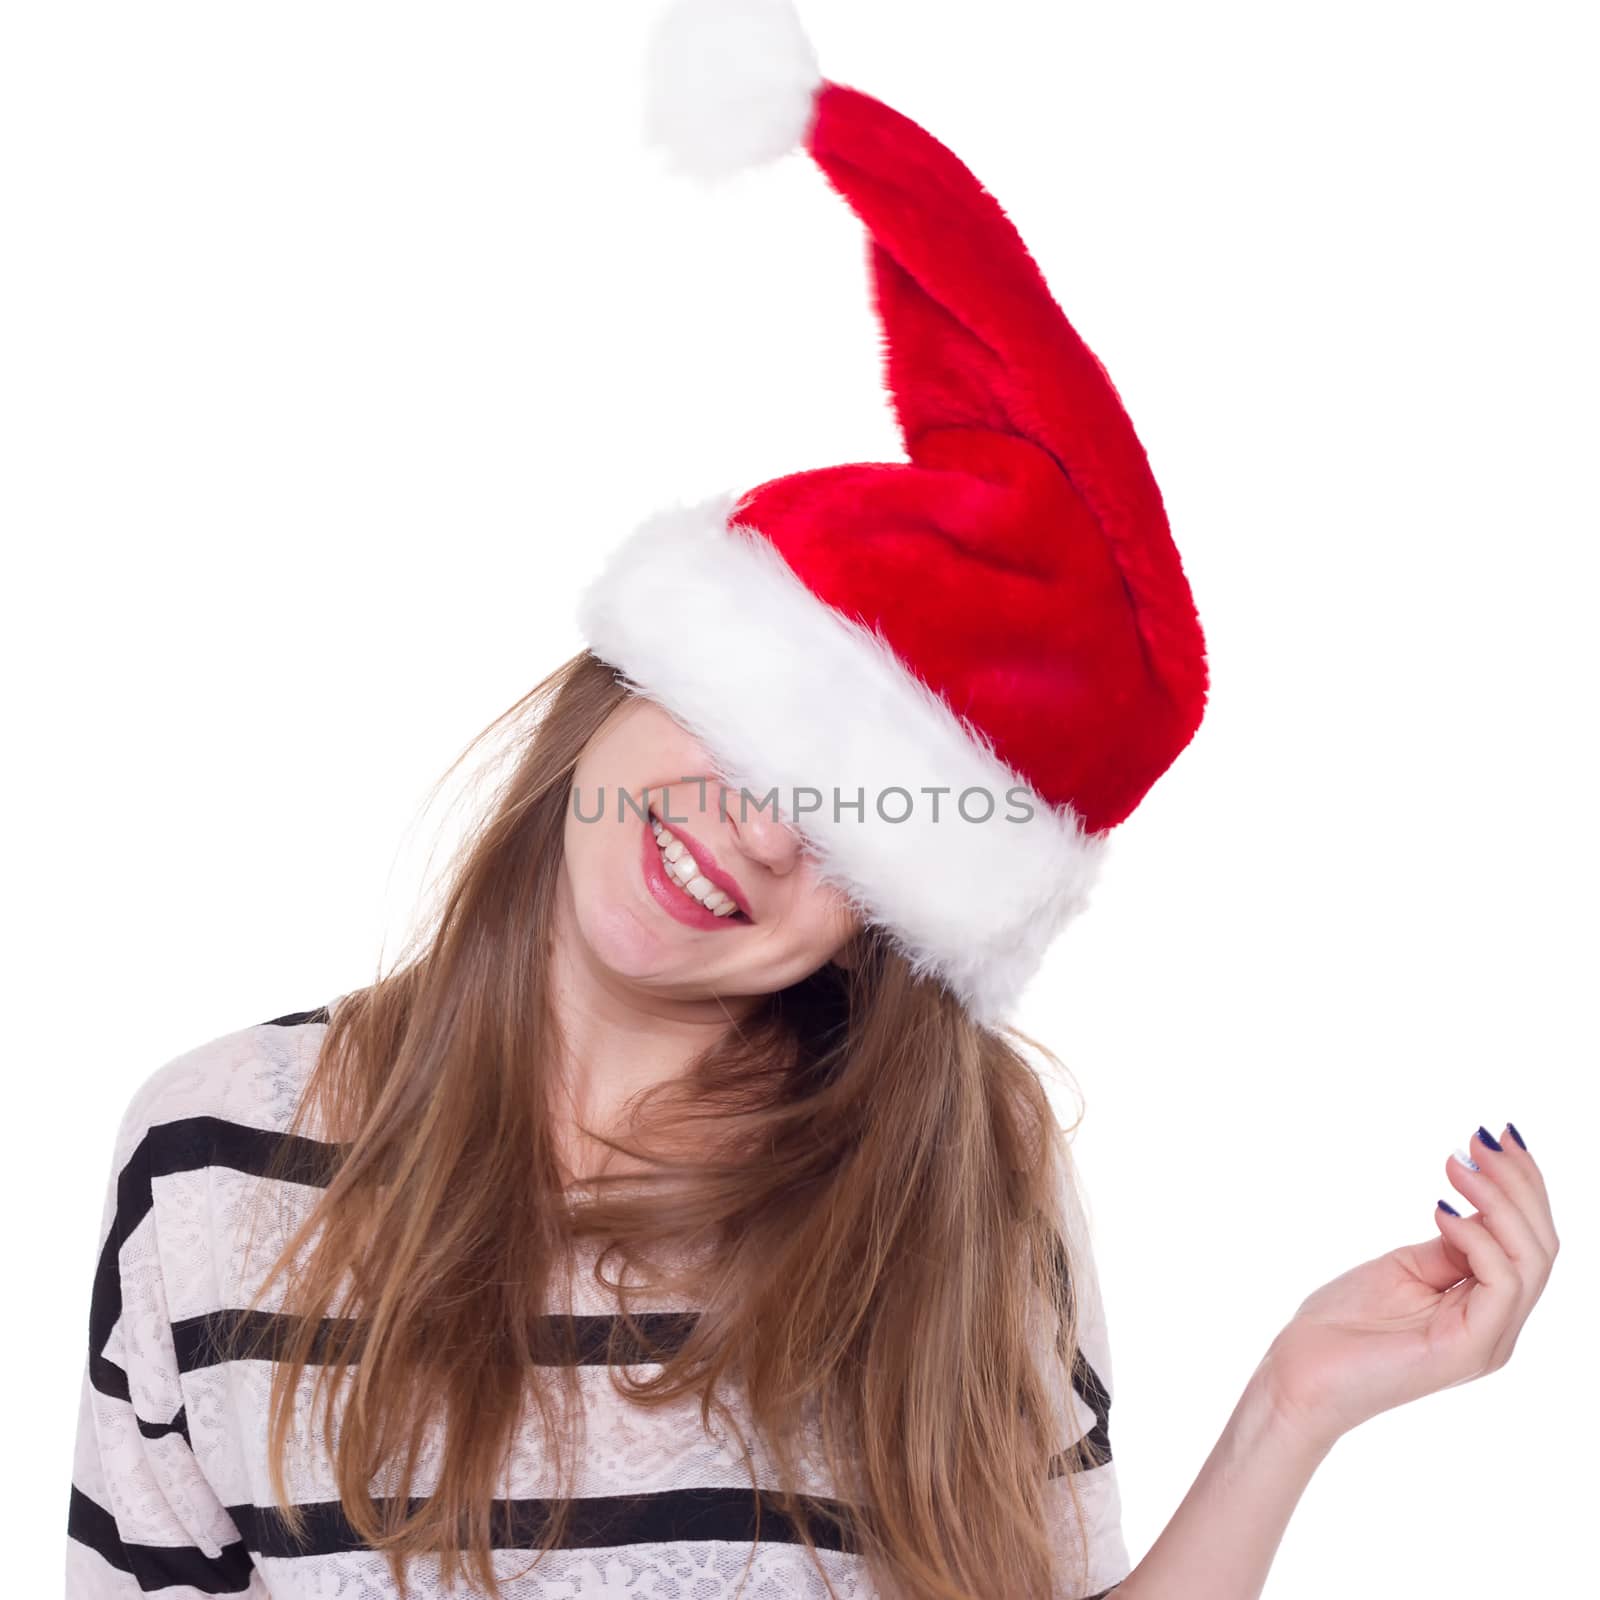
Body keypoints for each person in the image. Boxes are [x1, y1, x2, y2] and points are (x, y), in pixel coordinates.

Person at [64, 3, 1559, 1598]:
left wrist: (1289, 1414)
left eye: (863, 829)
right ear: (632, 681)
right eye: (761, 732)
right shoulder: (217, 1156)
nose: (763, 831)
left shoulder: (961, 1180)